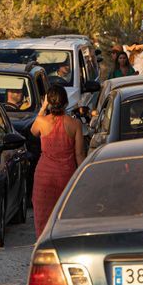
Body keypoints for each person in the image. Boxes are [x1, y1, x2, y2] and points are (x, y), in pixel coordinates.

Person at [31, 86, 86, 236]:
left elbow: (33, 131)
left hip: (44, 175)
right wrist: (85, 177)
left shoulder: (42, 121)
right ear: (66, 102)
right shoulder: (75, 125)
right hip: (66, 174)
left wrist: (43, 108)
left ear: (49, 101)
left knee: (43, 215)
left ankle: (43, 247)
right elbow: (79, 154)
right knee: (64, 215)